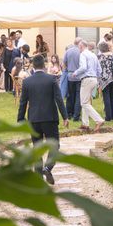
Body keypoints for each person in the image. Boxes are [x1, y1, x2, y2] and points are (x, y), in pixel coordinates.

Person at [17, 54, 69, 185]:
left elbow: (23, 102)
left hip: (34, 119)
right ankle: (48, 168)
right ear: (44, 65)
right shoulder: (51, 79)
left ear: (33, 66)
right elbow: (59, 99)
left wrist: (20, 119)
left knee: (37, 148)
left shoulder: (27, 81)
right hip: (50, 118)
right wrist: (65, 116)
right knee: (54, 145)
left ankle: (38, 179)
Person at [72, 39, 105, 132]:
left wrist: (75, 73)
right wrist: (97, 80)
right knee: (86, 101)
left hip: (86, 79)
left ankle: (99, 120)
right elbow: (99, 70)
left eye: (79, 47)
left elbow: (83, 67)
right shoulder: (93, 55)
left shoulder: (83, 54)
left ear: (81, 46)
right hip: (94, 79)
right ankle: (85, 124)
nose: (79, 49)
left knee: (84, 103)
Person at [98, 41, 113, 122]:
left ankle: (108, 116)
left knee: (106, 97)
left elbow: (99, 68)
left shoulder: (100, 57)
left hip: (105, 79)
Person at [63, 38, 82, 121]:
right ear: (79, 43)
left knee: (70, 96)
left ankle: (68, 114)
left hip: (70, 75)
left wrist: (66, 70)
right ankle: (76, 115)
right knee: (78, 96)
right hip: (79, 76)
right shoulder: (81, 52)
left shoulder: (68, 51)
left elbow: (64, 63)